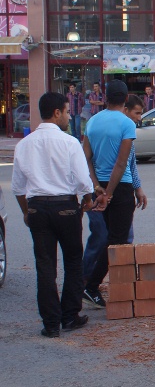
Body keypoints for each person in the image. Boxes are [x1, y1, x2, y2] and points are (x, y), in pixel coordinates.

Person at [12, 92, 98, 338]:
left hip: (37, 207)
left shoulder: (24, 144)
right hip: (66, 207)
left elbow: (18, 187)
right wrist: (88, 200)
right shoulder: (69, 142)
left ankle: (51, 324)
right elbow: (83, 180)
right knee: (72, 261)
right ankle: (70, 316)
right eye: (68, 112)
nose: (69, 117)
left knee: (45, 265)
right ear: (57, 113)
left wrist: (27, 213)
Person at [82, 80, 137, 308]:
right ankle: (92, 286)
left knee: (111, 239)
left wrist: (97, 187)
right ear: (125, 99)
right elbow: (122, 162)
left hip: (100, 185)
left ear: (105, 97)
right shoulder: (127, 124)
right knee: (117, 241)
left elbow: (85, 157)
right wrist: (111, 193)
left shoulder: (92, 121)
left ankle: (103, 286)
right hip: (120, 187)